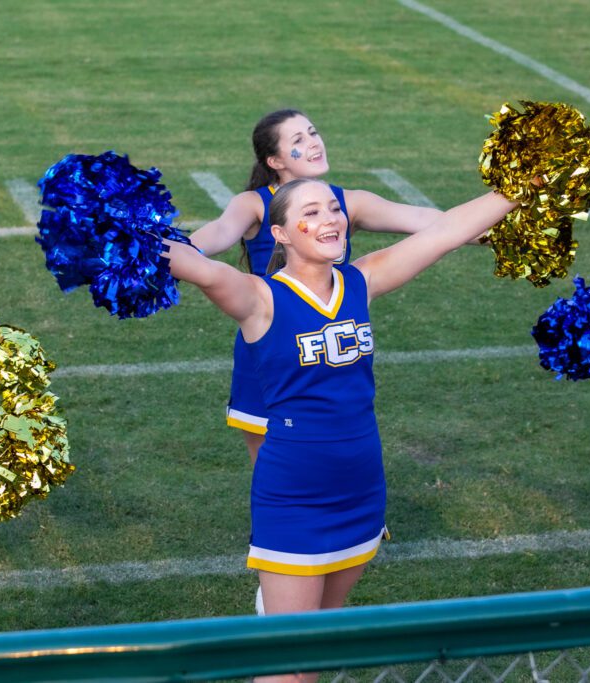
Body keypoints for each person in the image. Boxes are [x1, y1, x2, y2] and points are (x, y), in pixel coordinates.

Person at [168, 178, 515, 681]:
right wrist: (113, 230)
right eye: (311, 212)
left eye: (334, 208)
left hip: (361, 489)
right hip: (295, 498)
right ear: (281, 233)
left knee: (316, 654)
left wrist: (521, 187)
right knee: (284, 663)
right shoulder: (259, 297)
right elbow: (193, 264)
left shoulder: (361, 281)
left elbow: (444, 233)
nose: (330, 219)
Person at [191, 109, 479, 466]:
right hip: (273, 350)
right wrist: (167, 253)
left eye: (313, 133)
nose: (314, 143)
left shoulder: (347, 203)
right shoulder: (254, 203)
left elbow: (426, 221)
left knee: (341, 451)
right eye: (298, 140)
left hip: (332, 343)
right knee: (273, 467)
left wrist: (507, 234)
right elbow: (219, 232)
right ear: (275, 161)